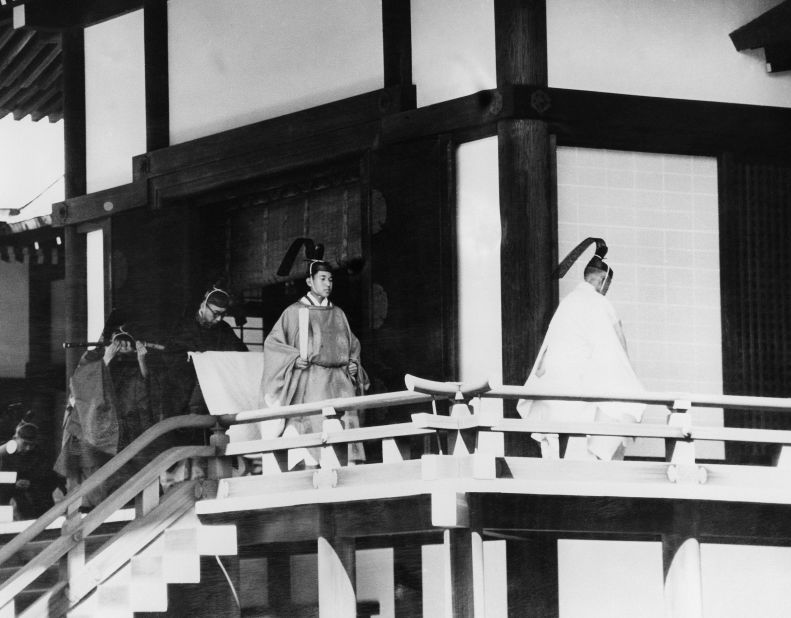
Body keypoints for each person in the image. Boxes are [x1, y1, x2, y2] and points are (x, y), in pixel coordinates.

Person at [516, 238, 645, 461]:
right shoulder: (599, 303)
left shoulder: (567, 303)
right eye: (607, 284)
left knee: (557, 448)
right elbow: (618, 341)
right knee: (620, 403)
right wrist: (630, 375)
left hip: (552, 392)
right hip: (577, 389)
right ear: (602, 280)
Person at [261, 239, 368, 469]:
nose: (328, 283)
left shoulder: (338, 313)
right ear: (310, 281)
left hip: (340, 383)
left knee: (344, 446)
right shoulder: (293, 312)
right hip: (310, 381)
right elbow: (273, 345)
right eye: (322, 279)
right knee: (311, 441)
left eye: (330, 279)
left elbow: (352, 345)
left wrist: (353, 364)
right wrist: (292, 359)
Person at [54, 324, 155, 509]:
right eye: (118, 342)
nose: (122, 348)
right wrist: (106, 358)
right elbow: (82, 386)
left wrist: (141, 360)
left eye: (126, 343)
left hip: (123, 432)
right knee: (89, 481)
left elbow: (145, 395)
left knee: (123, 480)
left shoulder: (132, 364)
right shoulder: (92, 358)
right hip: (88, 429)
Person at [161, 286, 247, 485]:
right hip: (186, 396)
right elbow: (170, 358)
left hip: (215, 399)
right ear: (204, 305)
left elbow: (241, 355)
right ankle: (181, 487)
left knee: (214, 446)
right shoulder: (183, 327)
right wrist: (196, 361)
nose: (218, 320)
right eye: (215, 314)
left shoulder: (224, 330)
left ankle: (215, 484)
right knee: (186, 448)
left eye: (222, 315)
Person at [0, 413, 64, 520]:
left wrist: (32, 483)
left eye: (32, 444)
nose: (29, 448)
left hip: (36, 496)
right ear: (15, 439)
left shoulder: (39, 453)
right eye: (25, 444)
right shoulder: (3, 455)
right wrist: (14, 484)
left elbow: (50, 478)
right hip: (9, 499)